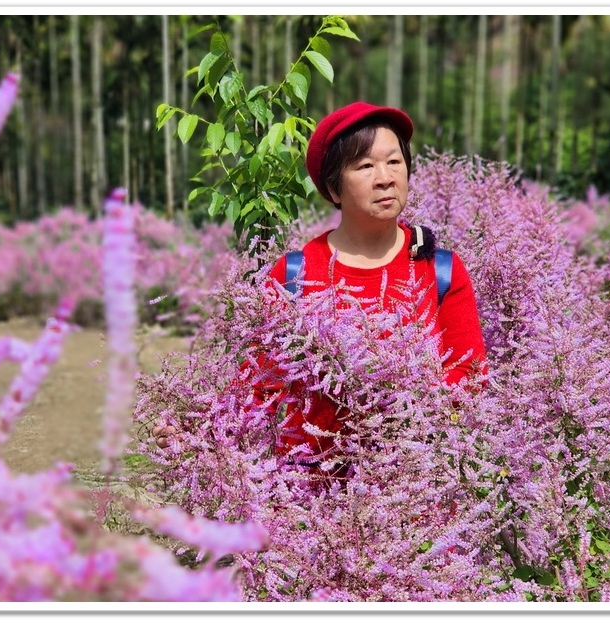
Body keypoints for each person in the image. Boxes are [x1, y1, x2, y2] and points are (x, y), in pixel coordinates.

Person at [153, 102, 487, 470]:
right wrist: (196, 430)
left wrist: (403, 402)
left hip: (419, 497)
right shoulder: (294, 276)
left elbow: (469, 376)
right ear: (333, 188)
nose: (385, 177)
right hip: (312, 499)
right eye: (364, 166)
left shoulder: (438, 270)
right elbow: (257, 387)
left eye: (394, 162)